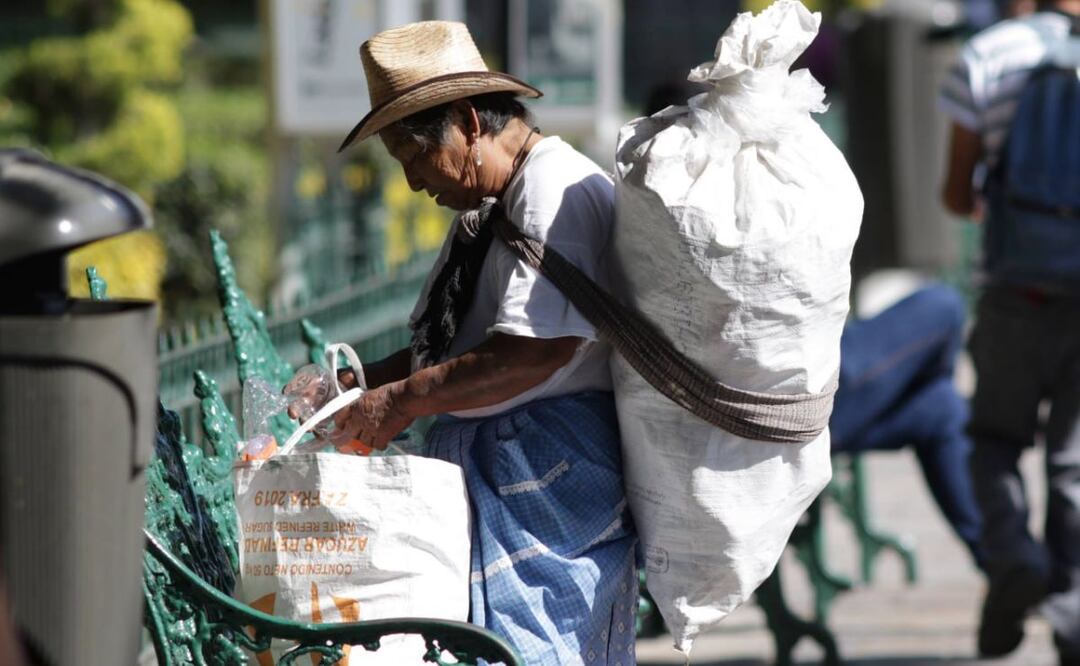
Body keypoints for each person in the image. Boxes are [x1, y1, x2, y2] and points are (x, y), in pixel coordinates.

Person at [324, 21, 638, 665]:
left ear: (469, 121)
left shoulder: (551, 191)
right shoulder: (498, 206)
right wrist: (366, 385)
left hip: (545, 480)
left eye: (416, 157)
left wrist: (401, 401)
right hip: (515, 476)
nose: (414, 182)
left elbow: (531, 352)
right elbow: (453, 347)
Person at [940, 1, 1080, 662]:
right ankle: (1074, 608)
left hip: (1014, 286)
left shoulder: (987, 55)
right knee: (1074, 459)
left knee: (994, 440)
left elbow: (953, 191)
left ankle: (1013, 554)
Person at [830, 284, 985, 570]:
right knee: (944, 303)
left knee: (943, 408)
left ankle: (1003, 563)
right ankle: (1007, 565)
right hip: (793, 390)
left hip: (816, 393)